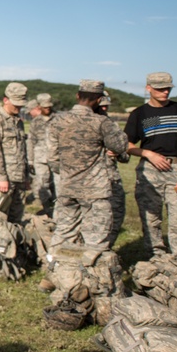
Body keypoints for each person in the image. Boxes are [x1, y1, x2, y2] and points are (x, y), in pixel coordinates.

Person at [46, 80, 130, 251]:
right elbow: (120, 146)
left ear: (77, 96)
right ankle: (91, 274)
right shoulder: (101, 122)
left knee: (63, 233)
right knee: (95, 240)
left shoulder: (57, 121)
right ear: (99, 100)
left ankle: (54, 270)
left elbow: (52, 158)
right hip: (95, 191)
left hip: (67, 187)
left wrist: (68, 173)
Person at [125, 71, 177, 256]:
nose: (165, 92)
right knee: (151, 218)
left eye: (167, 88)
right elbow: (127, 144)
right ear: (148, 88)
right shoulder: (139, 114)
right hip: (150, 170)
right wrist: (148, 153)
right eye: (160, 88)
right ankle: (156, 259)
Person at [0, 82, 30, 223]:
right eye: (15, 103)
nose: (19, 107)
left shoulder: (18, 122)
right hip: (3, 181)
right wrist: (1, 178)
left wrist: (26, 176)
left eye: (21, 103)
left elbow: (22, 151)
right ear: (5, 100)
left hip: (18, 179)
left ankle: (15, 245)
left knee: (16, 220)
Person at [98, 91, 129, 237]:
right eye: (101, 106)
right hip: (90, 179)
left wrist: (119, 154)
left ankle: (108, 247)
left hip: (111, 177)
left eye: (106, 106)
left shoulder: (113, 126)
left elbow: (126, 155)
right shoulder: (81, 124)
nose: (104, 109)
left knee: (117, 213)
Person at [27, 93, 57, 216]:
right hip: (40, 158)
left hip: (56, 157)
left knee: (57, 184)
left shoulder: (58, 119)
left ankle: (57, 208)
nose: (47, 109)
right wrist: (30, 160)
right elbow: (31, 141)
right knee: (42, 184)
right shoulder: (36, 122)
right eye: (45, 107)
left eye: (49, 107)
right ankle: (46, 207)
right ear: (39, 107)